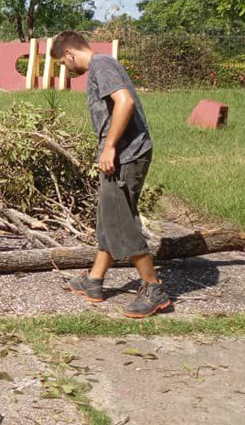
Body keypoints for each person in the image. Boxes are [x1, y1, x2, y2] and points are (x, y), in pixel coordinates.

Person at [51, 31, 171, 319]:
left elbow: (125, 102)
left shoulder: (101, 65)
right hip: (122, 156)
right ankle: (94, 280)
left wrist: (110, 146)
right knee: (108, 217)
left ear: (69, 53)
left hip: (126, 155)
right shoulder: (101, 65)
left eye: (62, 63)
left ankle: (153, 288)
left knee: (119, 220)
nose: (66, 69)